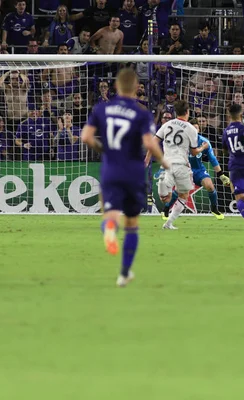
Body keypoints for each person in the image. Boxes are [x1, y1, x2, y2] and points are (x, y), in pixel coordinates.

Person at [81, 68, 169, 287]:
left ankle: (110, 228)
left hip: (111, 170)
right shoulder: (141, 113)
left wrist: (104, 149)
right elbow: (150, 143)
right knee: (131, 223)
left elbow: (86, 137)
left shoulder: (102, 108)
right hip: (135, 172)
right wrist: (164, 161)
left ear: (117, 87)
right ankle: (124, 273)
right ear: (136, 88)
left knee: (110, 214)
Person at [146, 100, 210, 230]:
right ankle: (168, 223)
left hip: (166, 163)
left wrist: (147, 159)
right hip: (181, 165)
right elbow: (193, 151)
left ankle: (164, 187)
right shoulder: (191, 129)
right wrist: (202, 148)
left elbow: (153, 141)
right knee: (184, 195)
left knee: (166, 198)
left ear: (176, 112)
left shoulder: (167, 124)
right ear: (187, 112)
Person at [160, 118, 231, 221]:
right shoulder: (181, 142)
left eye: (196, 128)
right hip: (184, 170)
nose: (194, 130)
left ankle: (214, 209)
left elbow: (212, 159)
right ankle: (166, 209)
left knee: (210, 186)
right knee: (179, 192)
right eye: (192, 128)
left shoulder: (204, 142)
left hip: (198, 170)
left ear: (198, 130)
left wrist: (221, 174)